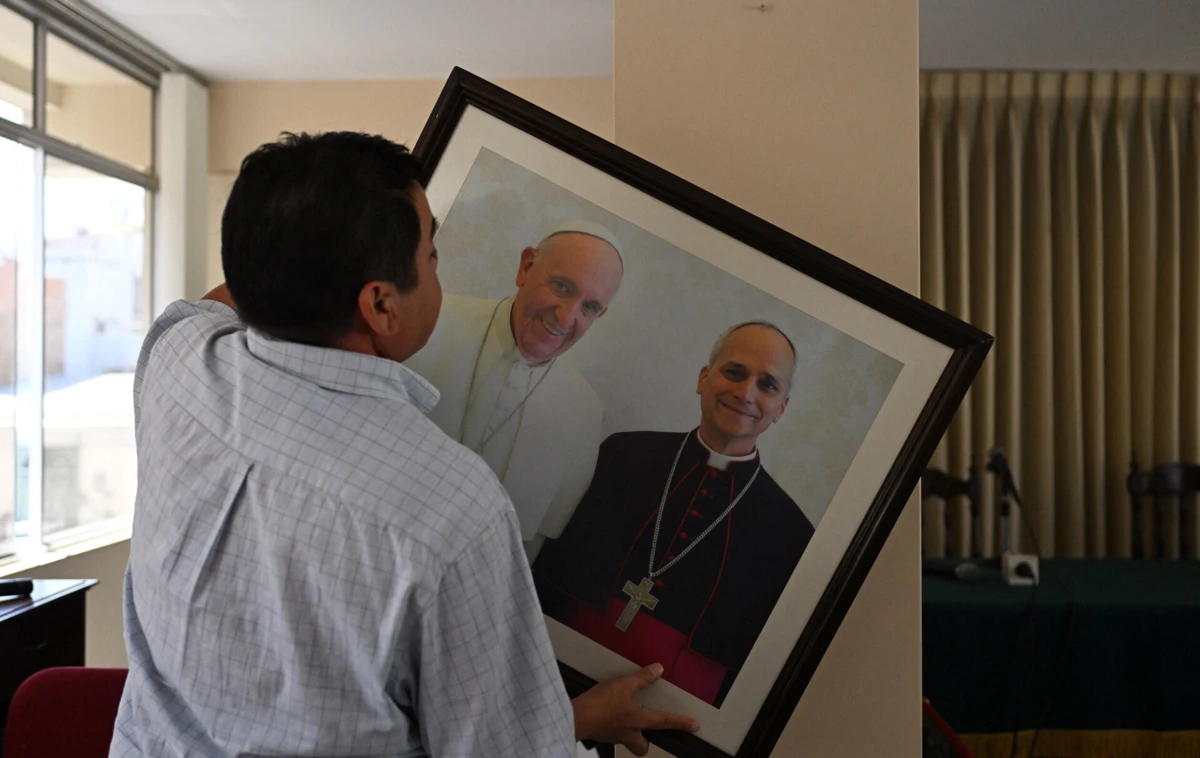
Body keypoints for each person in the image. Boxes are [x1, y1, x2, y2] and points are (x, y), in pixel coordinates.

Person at [109, 131, 696, 758]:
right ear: (382, 304)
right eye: (433, 256)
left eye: (592, 308)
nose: (569, 315)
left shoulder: (180, 358)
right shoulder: (458, 510)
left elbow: (219, 301)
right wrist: (572, 721)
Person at [533, 321, 815, 708]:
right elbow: (549, 577)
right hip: (554, 675)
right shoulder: (623, 455)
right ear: (704, 377)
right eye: (734, 372)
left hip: (673, 715)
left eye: (767, 385)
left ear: (781, 407)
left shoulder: (791, 533)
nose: (746, 393)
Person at [404, 220, 623, 561]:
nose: (566, 318)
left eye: (589, 307)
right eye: (562, 287)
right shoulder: (429, 320)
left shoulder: (584, 411)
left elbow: (530, 548)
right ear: (526, 268)